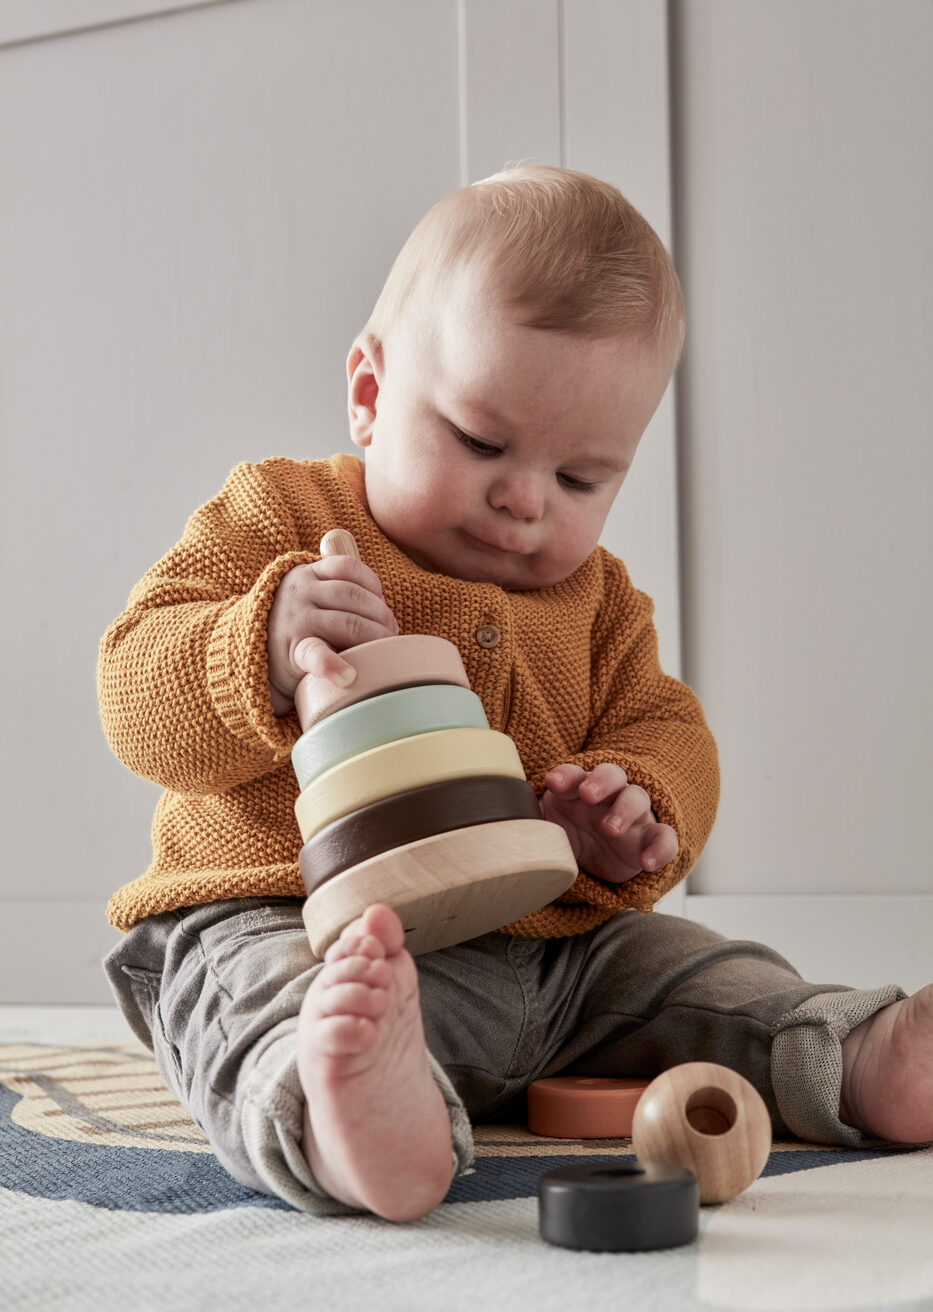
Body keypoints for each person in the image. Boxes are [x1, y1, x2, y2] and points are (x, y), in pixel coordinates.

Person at [99, 166, 932, 1223]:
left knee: (695, 972)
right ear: (370, 392)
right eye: (482, 442)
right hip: (298, 916)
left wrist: (635, 807)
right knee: (279, 1002)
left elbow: (666, 725)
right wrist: (257, 640)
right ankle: (349, 1110)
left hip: (550, 951)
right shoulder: (279, 515)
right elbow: (131, 686)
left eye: (582, 479)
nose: (523, 499)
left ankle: (859, 1051)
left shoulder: (599, 601)